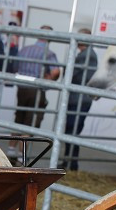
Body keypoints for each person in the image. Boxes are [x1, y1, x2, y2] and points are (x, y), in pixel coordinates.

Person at [11, 25, 60, 135]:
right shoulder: (48, 53)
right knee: (31, 121)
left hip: (22, 88)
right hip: (36, 89)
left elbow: (15, 67)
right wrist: (50, 79)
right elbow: (56, 72)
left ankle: (11, 148)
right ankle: (22, 151)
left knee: (19, 118)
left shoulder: (24, 50)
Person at [63, 29, 98, 171]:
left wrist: (67, 70)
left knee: (72, 131)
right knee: (70, 130)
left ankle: (71, 164)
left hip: (79, 99)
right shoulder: (86, 54)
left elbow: (72, 74)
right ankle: (69, 162)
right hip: (78, 98)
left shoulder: (87, 55)